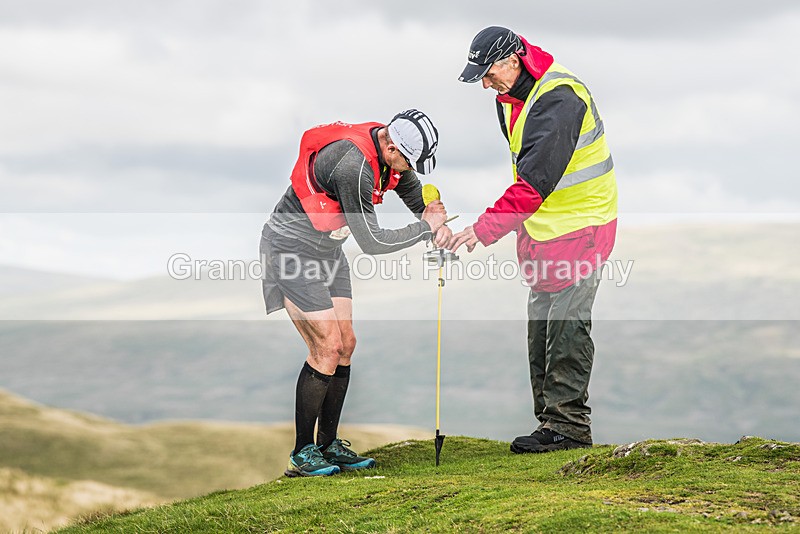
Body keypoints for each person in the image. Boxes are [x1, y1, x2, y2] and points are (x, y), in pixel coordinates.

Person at [449, 27, 617, 453]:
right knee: (540, 329)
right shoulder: (509, 100)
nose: (486, 84)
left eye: (488, 74)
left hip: (582, 228)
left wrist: (483, 230)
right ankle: (550, 424)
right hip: (544, 230)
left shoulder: (559, 99)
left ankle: (570, 428)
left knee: (566, 330)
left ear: (513, 60)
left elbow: (534, 182)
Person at [260, 109, 451, 476]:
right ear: (392, 146)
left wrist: (437, 227)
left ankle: (328, 446)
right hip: (290, 249)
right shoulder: (355, 168)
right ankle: (302, 455)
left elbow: (413, 193)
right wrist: (425, 229)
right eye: (410, 160)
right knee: (326, 347)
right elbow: (373, 242)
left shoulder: (391, 157)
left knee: (346, 344)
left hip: (326, 250)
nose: (411, 168)